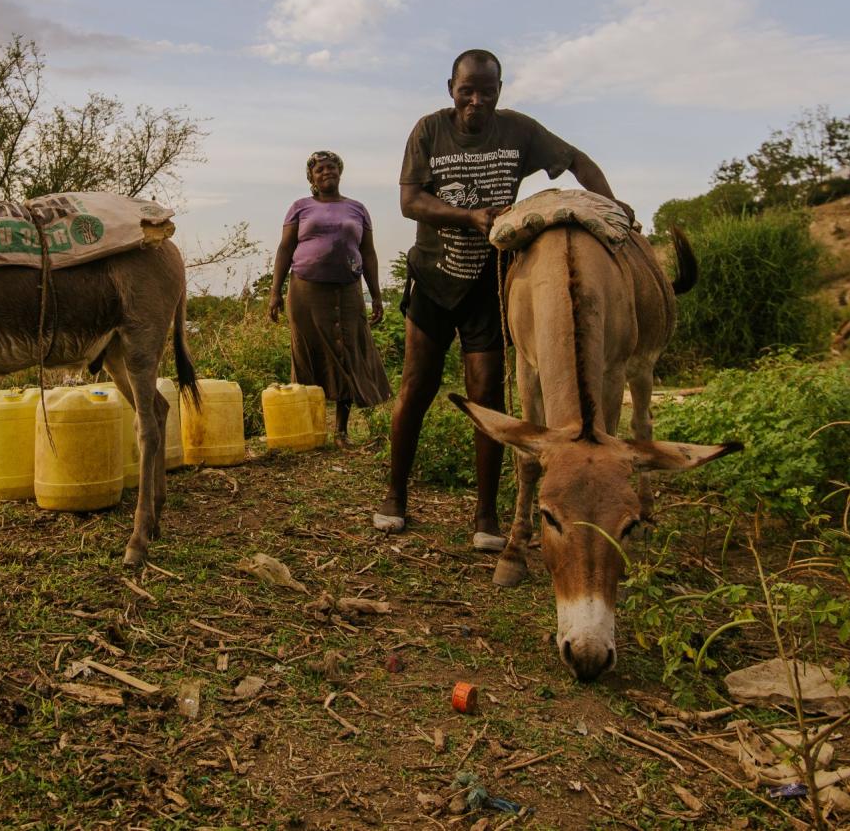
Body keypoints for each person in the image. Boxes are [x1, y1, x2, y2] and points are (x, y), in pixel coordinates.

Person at [377, 49, 632, 544]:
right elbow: (410, 202)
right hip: (434, 276)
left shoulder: (519, 130)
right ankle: (395, 495)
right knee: (416, 387)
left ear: (500, 90)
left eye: (486, 92)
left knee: (489, 397)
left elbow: (578, 161)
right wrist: (468, 217)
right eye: (466, 91)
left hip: (490, 284)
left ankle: (485, 516)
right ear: (450, 88)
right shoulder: (429, 131)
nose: (476, 101)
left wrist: (610, 205)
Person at [268, 150, 391, 444]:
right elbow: (285, 249)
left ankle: (341, 431)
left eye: (332, 168)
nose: (327, 173)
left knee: (346, 351)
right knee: (308, 354)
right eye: (320, 169)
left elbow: (368, 253)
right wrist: (275, 292)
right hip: (305, 291)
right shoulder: (300, 207)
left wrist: (375, 294)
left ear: (340, 172)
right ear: (311, 177)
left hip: (347, 290)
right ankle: (310, 430)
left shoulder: (357, 208)